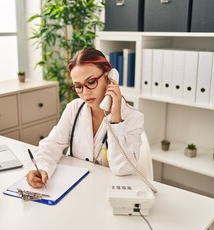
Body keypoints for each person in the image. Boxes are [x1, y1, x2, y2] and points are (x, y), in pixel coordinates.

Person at [26, 47, 144, 188]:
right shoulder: (74, 108)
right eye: (78, 86)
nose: (85, 93)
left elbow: (122, 168)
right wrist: (42, 168)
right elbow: (52, 144)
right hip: (77, 188)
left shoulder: (133, 117)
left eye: (91, 82)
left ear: (110, 78)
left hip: (108, 191)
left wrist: (116, 118)